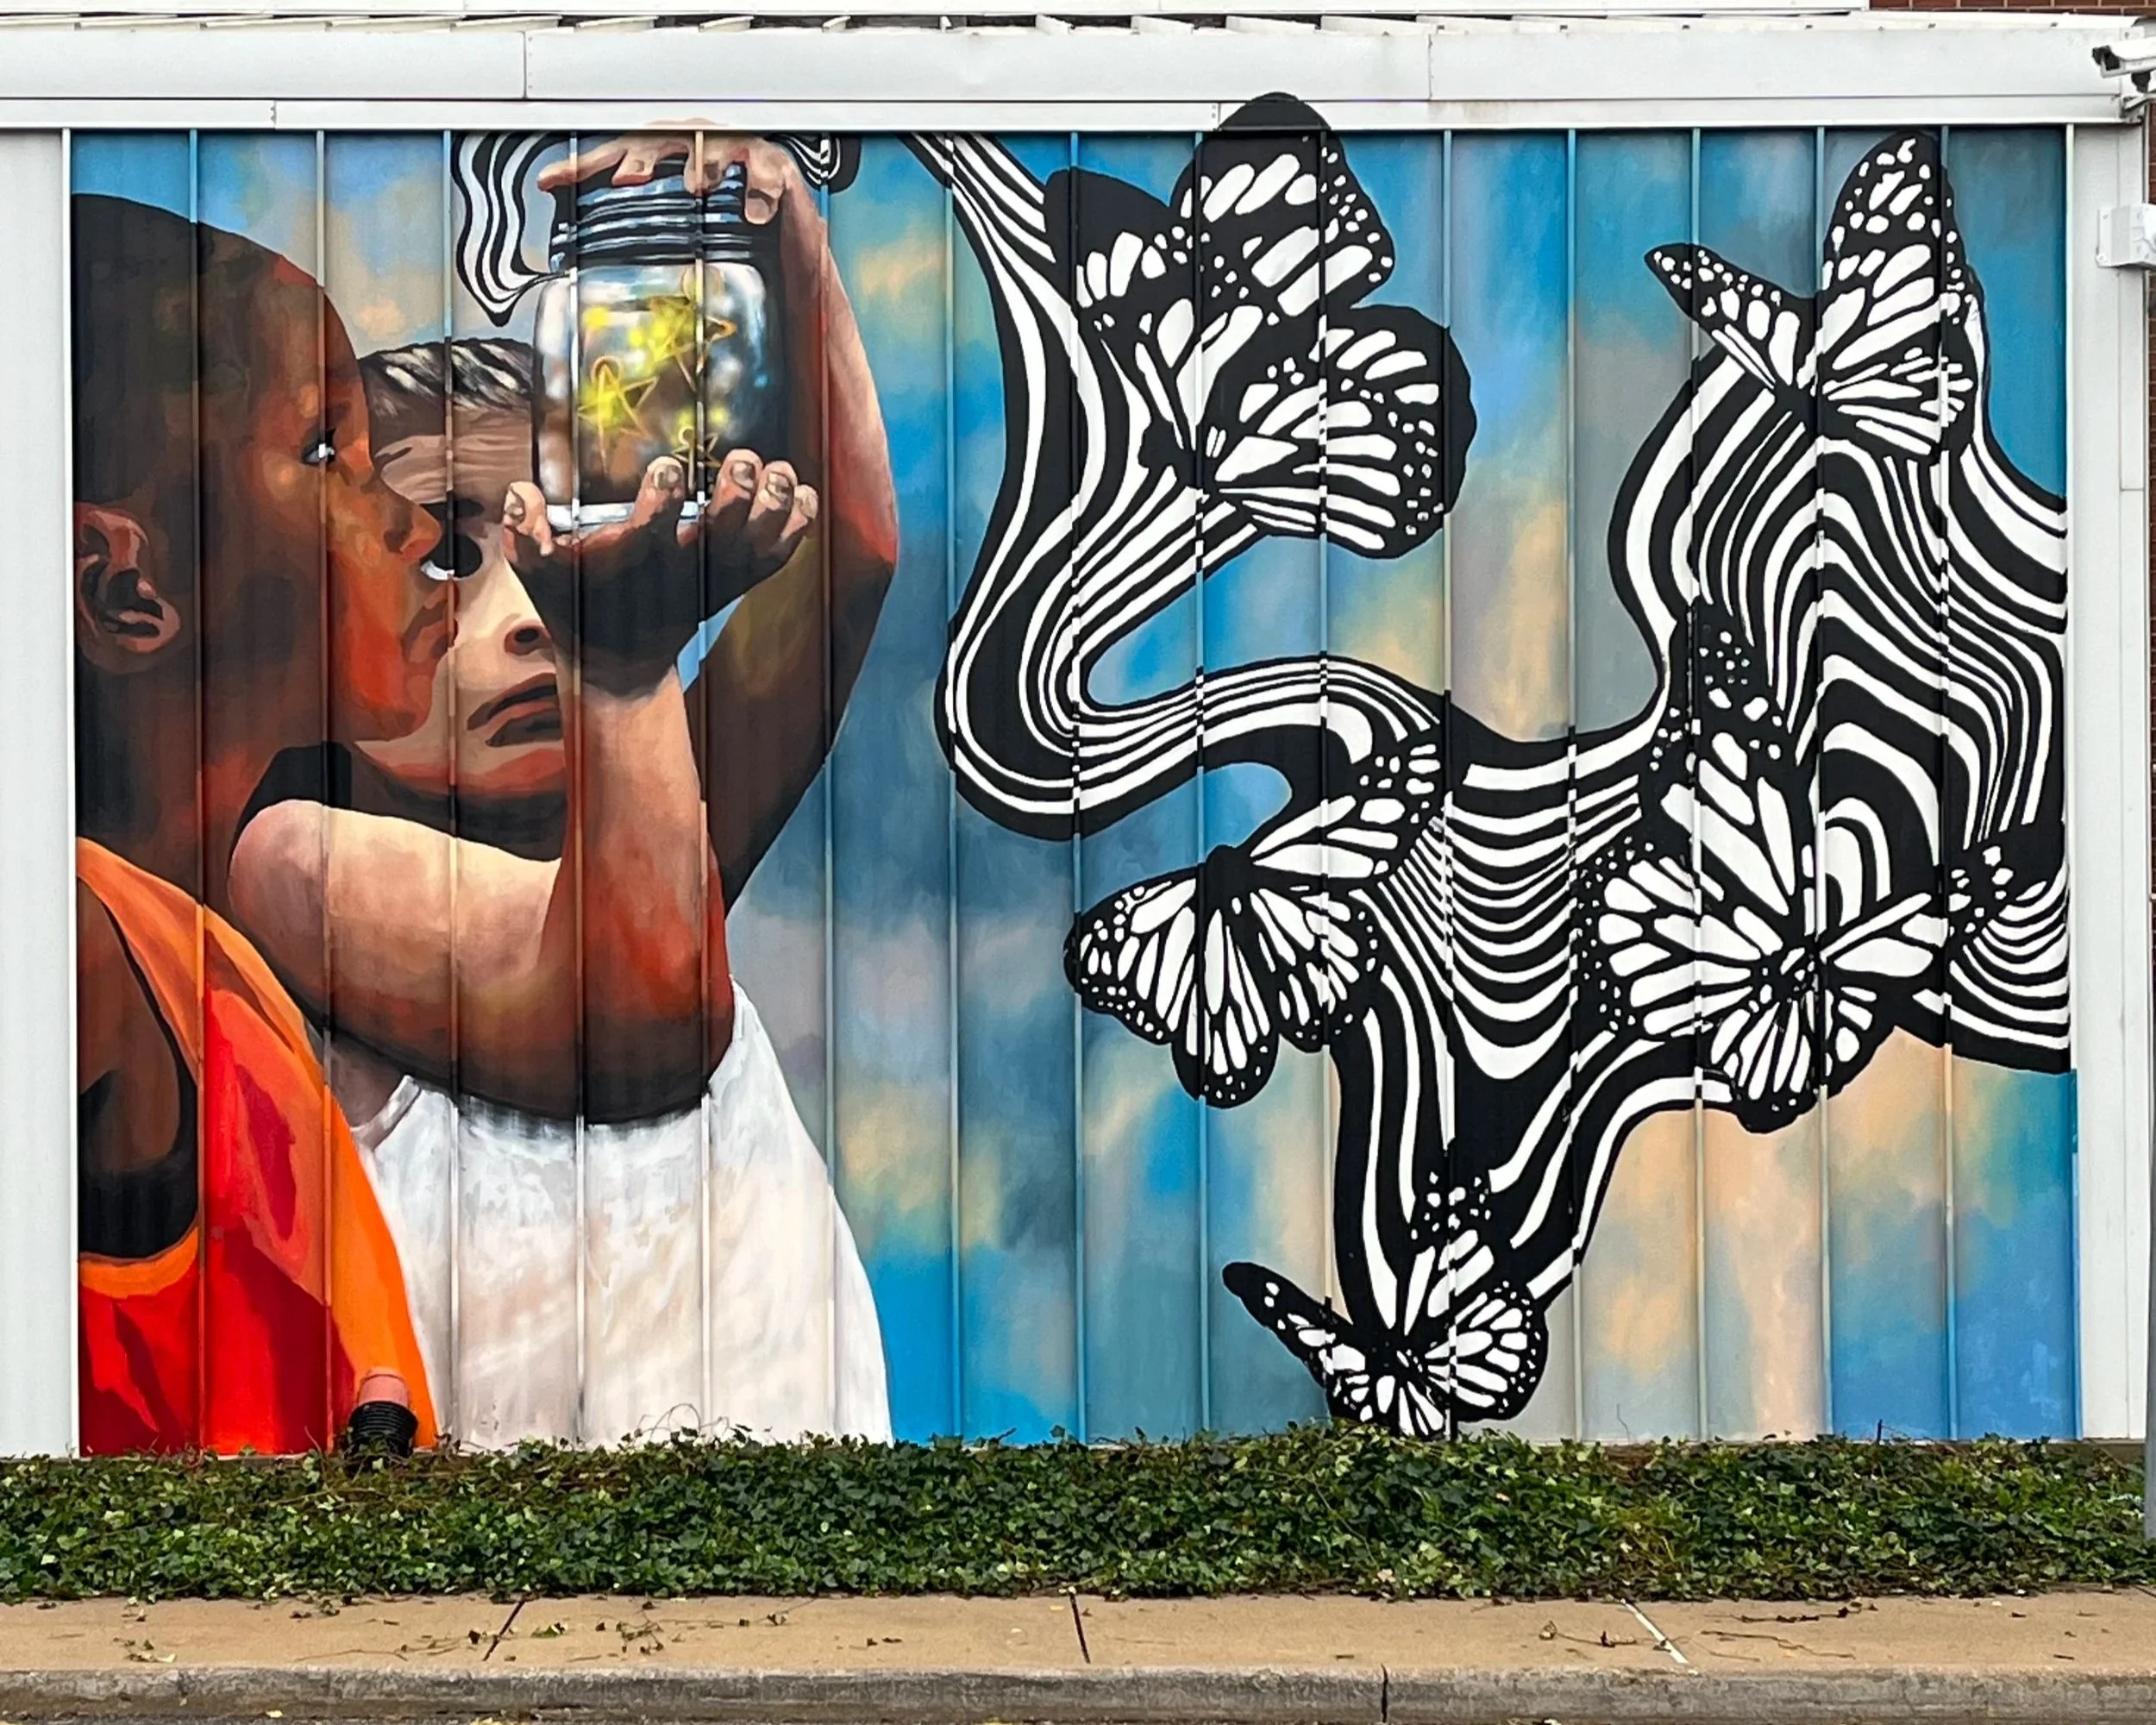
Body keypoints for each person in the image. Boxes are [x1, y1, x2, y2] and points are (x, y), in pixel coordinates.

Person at [222, 135, 900, 1445]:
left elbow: (852, 555)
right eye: (450, 556)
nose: (528, 614)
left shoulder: (658, 797)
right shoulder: (291, 863)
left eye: (562, 530)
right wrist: (628, 668)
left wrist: (789, 240)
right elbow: (627, 1022)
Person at [71, 192, 446, 1453]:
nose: (420, 524)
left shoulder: (190, 951)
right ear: (129, 591)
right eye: (328, 452)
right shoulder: (73, 944)